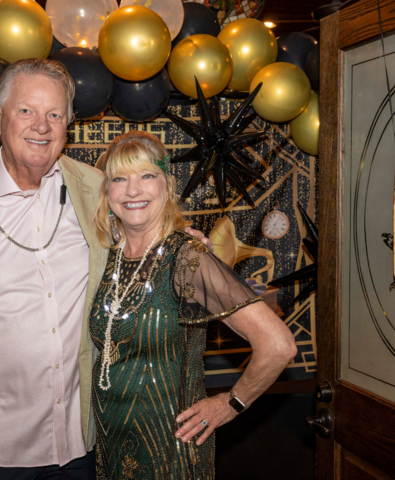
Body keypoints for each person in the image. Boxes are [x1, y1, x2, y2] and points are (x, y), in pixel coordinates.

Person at [0, 58, 209, 480]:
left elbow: (143, 232)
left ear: (68, 124)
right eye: (26, 111)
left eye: (55, 114)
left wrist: (180, 243)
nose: (42, 126)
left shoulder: (97, 190)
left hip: (81, 442)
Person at [90, 130, 297, 479]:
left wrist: (231, 404)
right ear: (106, 191)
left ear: (167, 186)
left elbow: (279, 345)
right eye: (119, 179)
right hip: (110, 450)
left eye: (146, 176)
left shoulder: (188, 258)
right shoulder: (106, 255)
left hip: (171, 453)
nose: (133, 190)